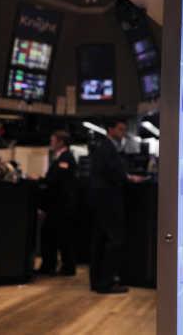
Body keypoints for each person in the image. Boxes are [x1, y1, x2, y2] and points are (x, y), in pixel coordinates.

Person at [89, 119, 142, 293]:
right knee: (114, 241)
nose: (123, 132)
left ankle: (97, 281)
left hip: (101, 201)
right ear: (110, 129)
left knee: (100, 241)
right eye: (120, 129)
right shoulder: (108, 148)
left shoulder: (104, 147)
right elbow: (114, 173)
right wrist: (128, 178)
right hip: (108, 201)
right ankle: (106, 283)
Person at [37, 131, 78, 276]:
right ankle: (53, 266)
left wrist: (40, 180)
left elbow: (56, 180)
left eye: (52, 140)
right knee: (56, 236)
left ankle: (60, 267)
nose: (51, 143)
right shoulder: (61, 157)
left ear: (61, 142)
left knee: (56, 236)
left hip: (61, 205)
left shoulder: (65, 158)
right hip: (60, 205)